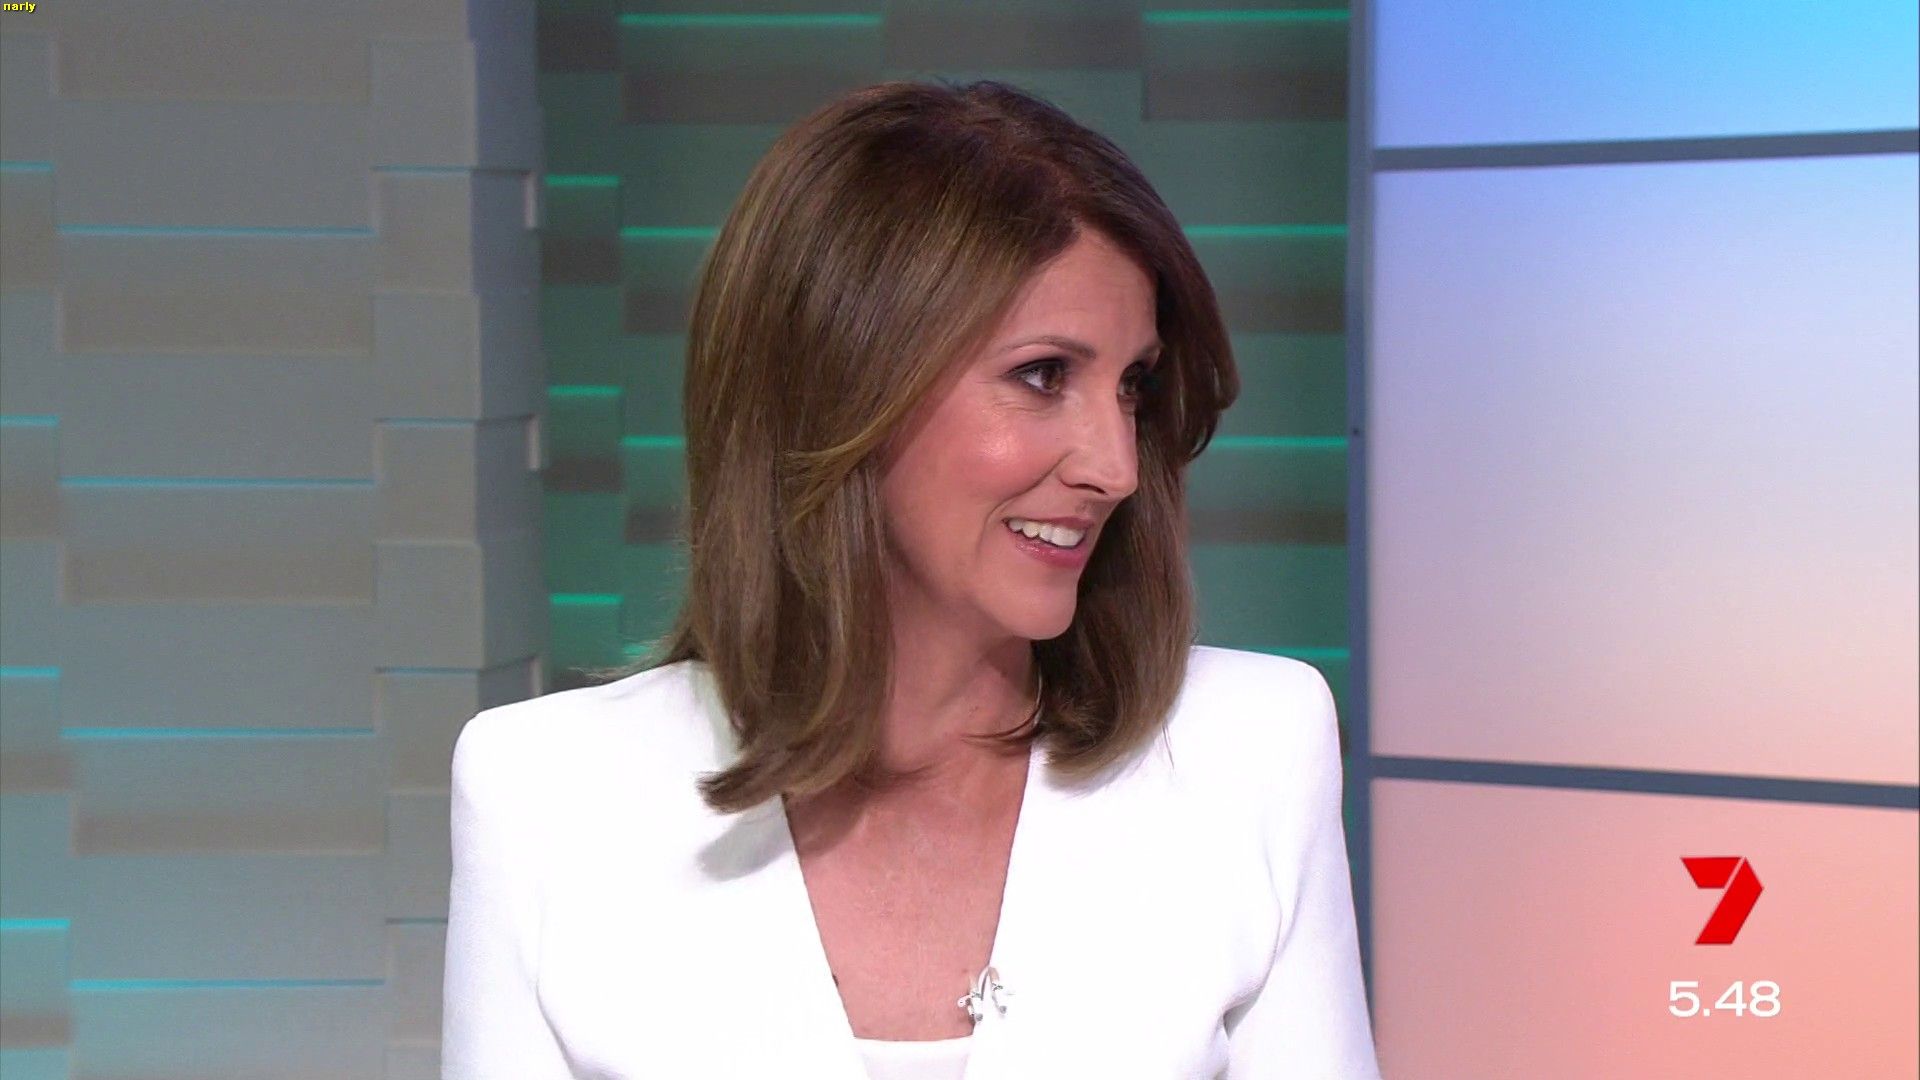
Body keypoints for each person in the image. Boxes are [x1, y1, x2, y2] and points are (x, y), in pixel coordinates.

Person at [441, 79, 1384, 1079]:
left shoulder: (1249, 750)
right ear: (840, 384)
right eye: (1042, 376)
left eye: (1133, 386)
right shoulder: (547, 795)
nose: (1115, 465)